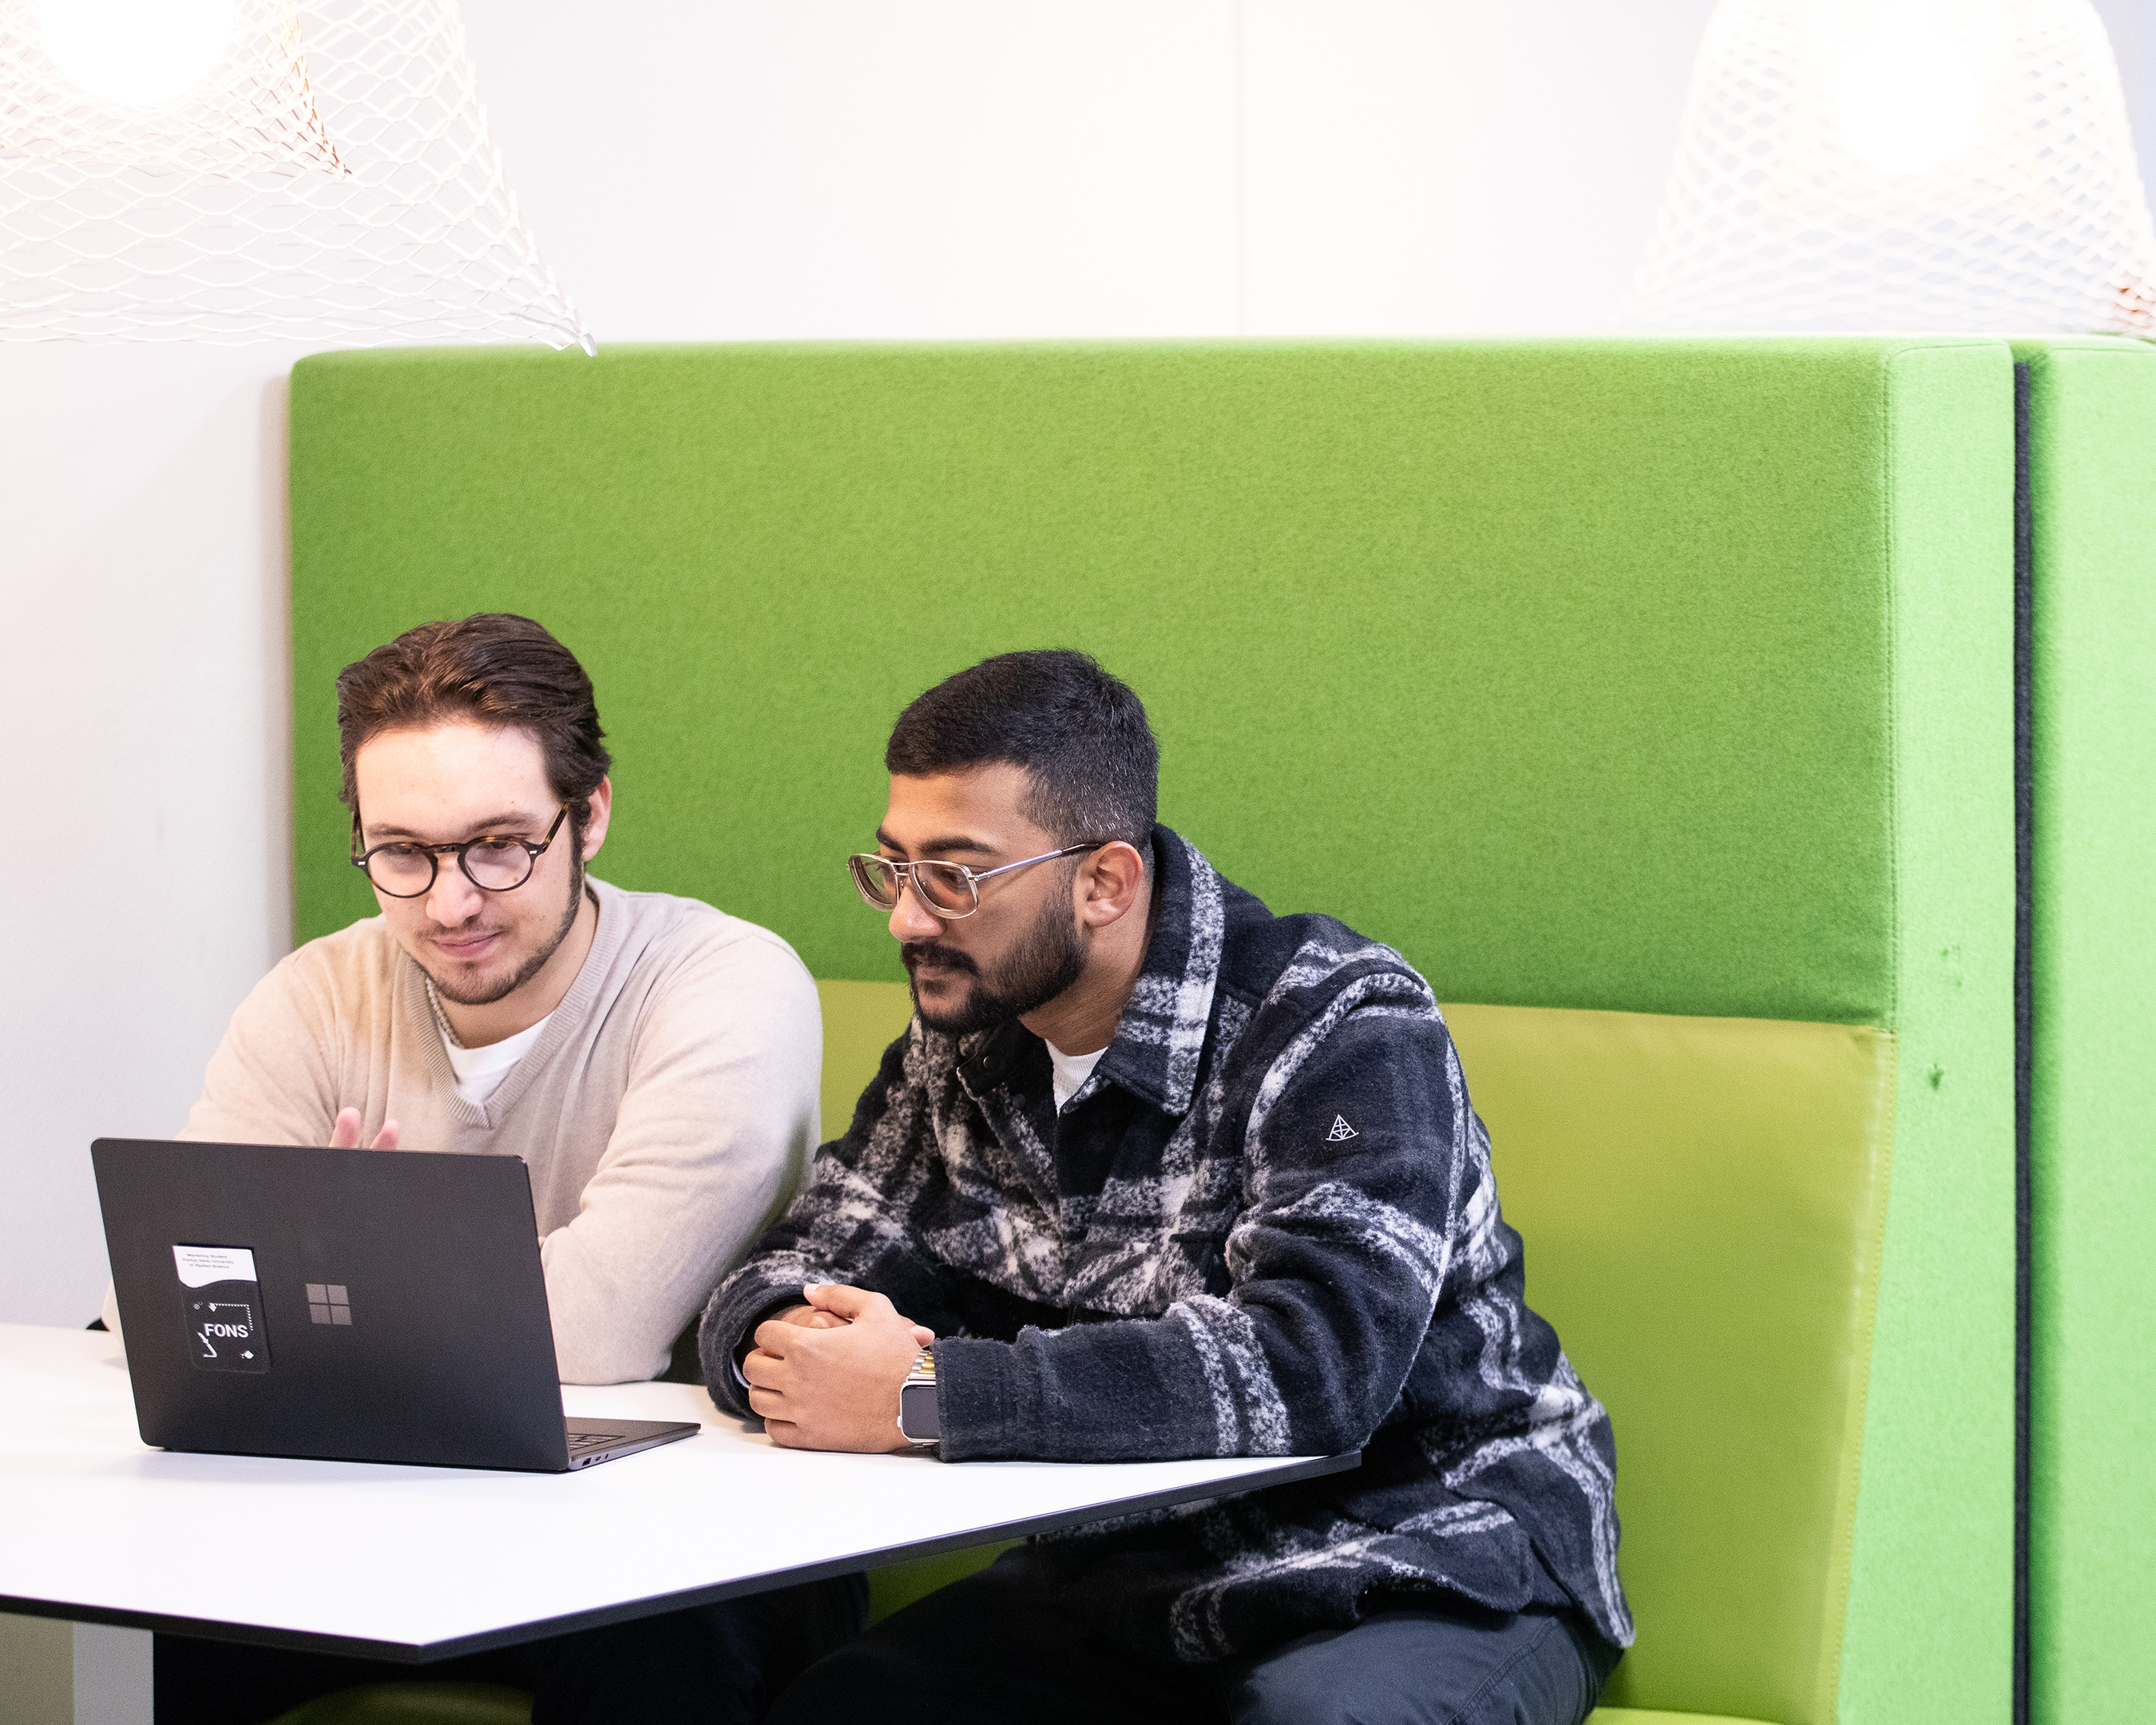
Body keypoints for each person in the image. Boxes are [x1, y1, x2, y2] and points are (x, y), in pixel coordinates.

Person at [701, 649, 1633, 1725]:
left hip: (1427, 1559)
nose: (909, 919)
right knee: (840, 1711)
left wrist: (926, 1393)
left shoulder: (1340, 1021)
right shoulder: (965, 1028)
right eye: (894, 868)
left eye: (956, 875)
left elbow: (1316, 1367)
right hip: (1133, 1576)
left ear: (1104, 883)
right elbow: (808, 1253)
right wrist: (789, 1345)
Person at [135, 613, 860, 1725]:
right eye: (403, 854)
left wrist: (346, 1277)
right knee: (132, 1639)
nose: (451, 900)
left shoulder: (723, 985)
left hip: (675, 1535)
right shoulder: (316, 997)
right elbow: (174, 1312)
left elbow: (603, 1333)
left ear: (592, 815)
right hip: (382, 1511)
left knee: (654, 1646)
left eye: (500, 845)